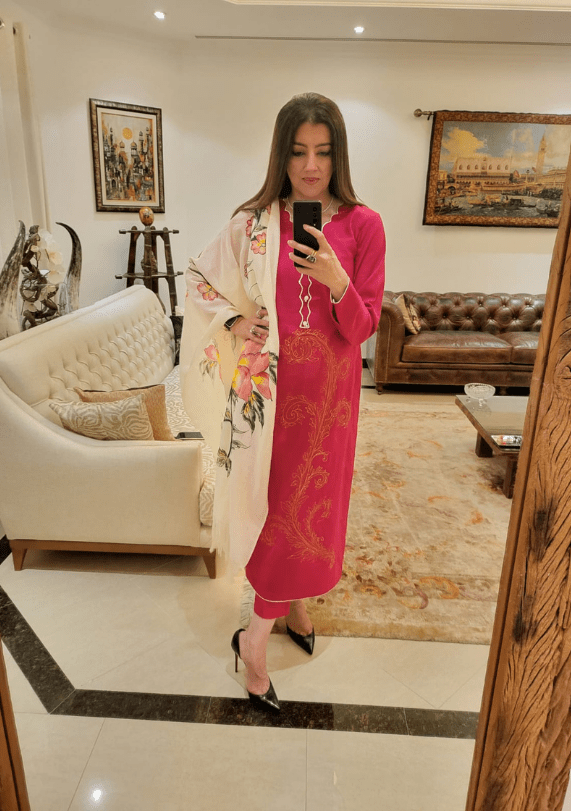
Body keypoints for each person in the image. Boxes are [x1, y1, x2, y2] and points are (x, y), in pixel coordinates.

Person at [179, 92, 385, 712]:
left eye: (323, 151)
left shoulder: (363, 225)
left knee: (317, 511)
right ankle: (254, 643)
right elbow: (200, 278)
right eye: (298, 152)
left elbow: (363, 326)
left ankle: (297, 607)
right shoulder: (253, 222)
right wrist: (240, 323)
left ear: (338, 154)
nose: (311, 166)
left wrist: (337, 280)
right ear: (281, 155)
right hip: (268, 397)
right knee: (276, 513)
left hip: (331, 403)